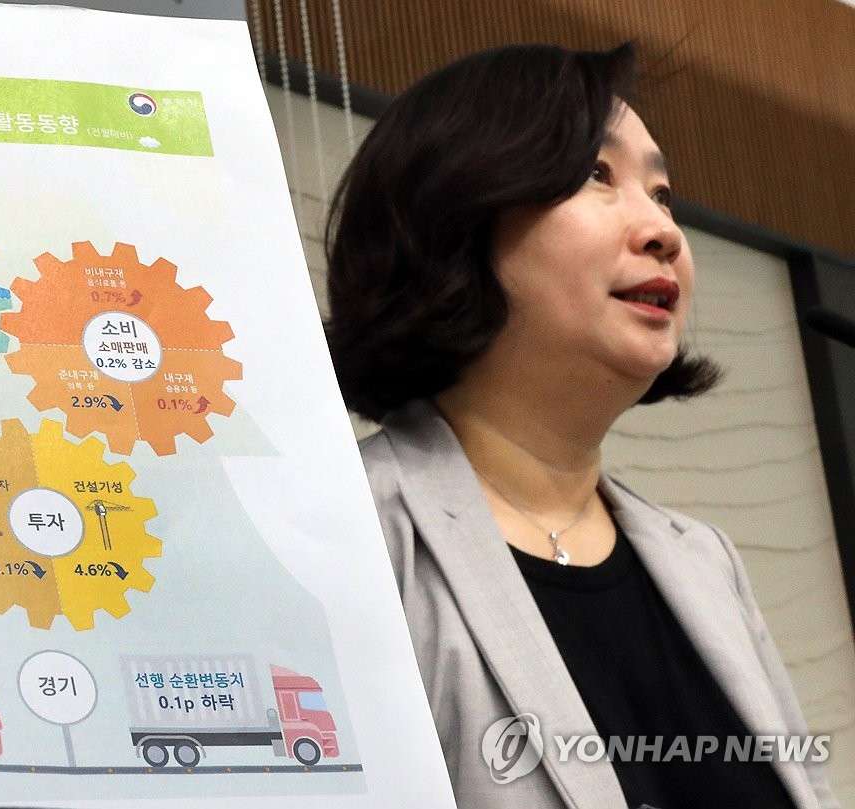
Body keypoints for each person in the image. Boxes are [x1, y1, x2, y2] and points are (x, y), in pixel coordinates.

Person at [326, 42, 839, 809]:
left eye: (663, 193)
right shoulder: (349, 537)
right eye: (596, 174)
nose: (663, 230)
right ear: (453, 216)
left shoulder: (703, 559)